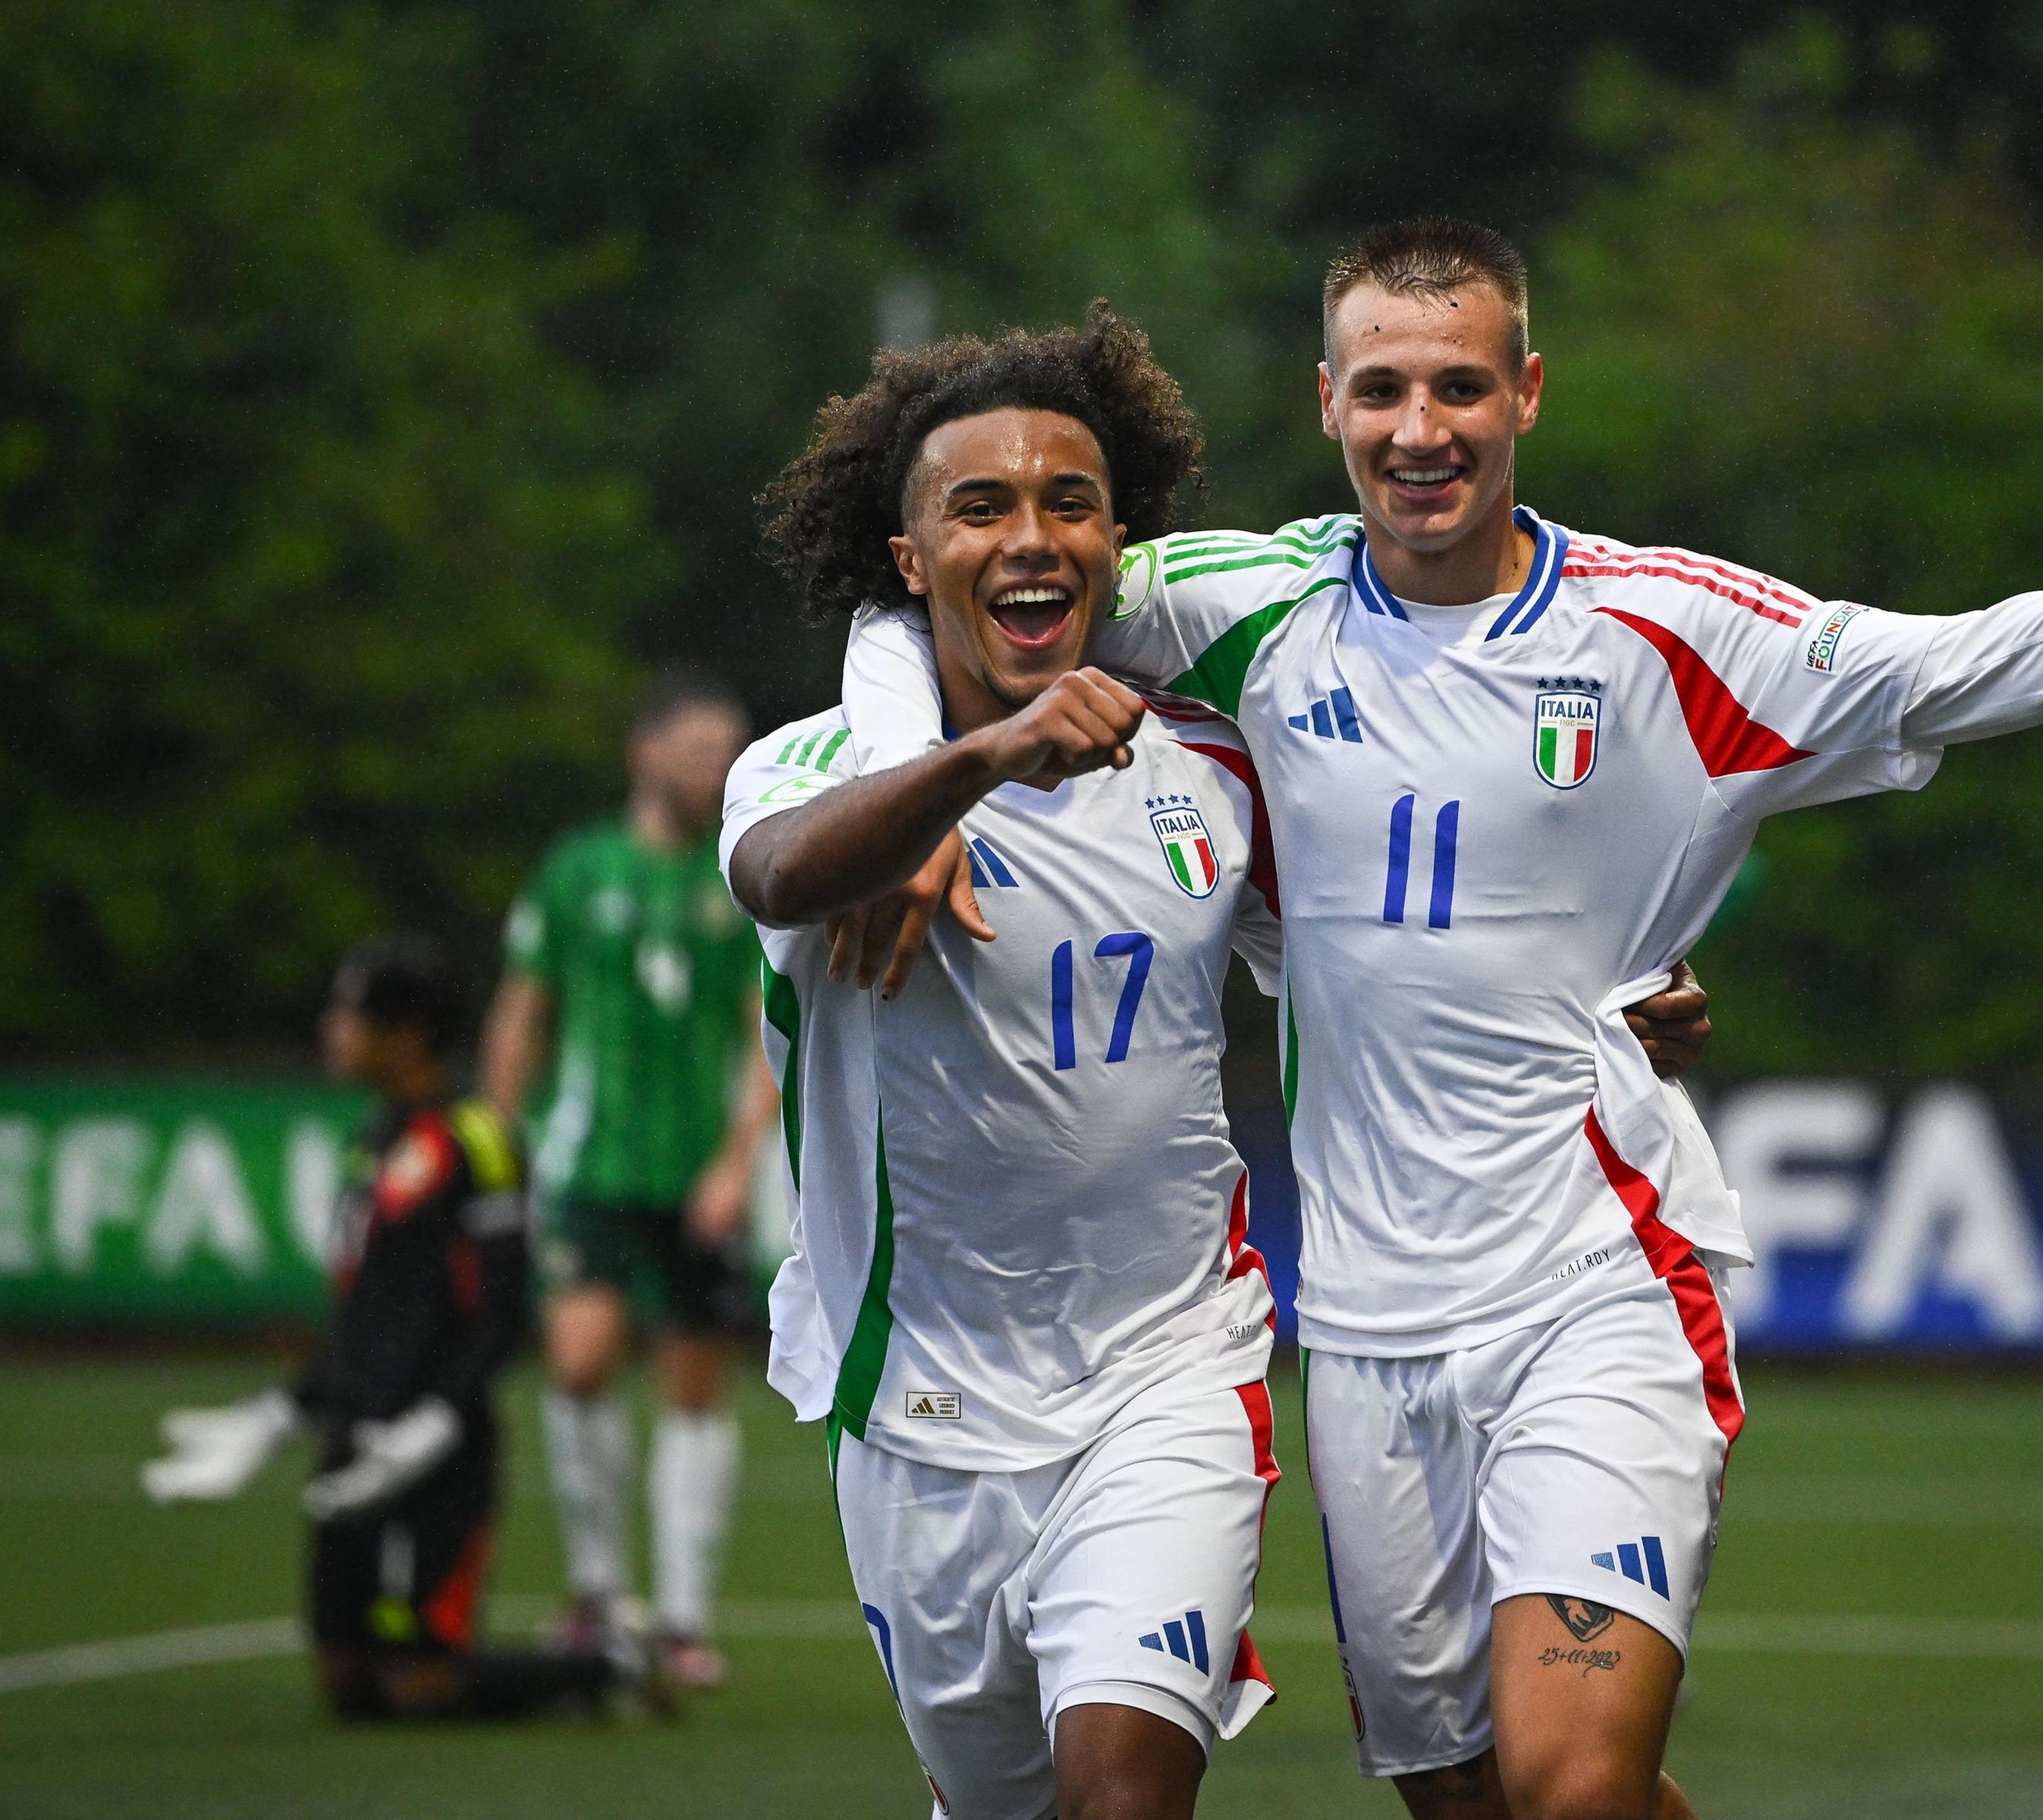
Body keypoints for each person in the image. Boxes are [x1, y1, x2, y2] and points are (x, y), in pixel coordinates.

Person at [837, 221, 2043, 1819]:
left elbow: (1941, 670)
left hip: (1592, 1278)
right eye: (1385, 390)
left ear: (1528, 393)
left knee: (1570, 1781)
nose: (1422, 429)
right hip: (1363, 1328)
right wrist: (892, 782)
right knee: (1480, 1795)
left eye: (1461, 387)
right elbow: (944, 589)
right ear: (1330, 400)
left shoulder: (1663, 632)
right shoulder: (1231, 607)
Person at [725, 310, 1713, 1820]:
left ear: (1121, 540)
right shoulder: (820, 769)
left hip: (1172, 1375)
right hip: (921, 1407)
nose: (1032, 535)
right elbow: (779, 875)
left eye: (1071, 501)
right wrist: (950, 776)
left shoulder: (1206, 761)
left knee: (1123, 1796)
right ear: (910, 559)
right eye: (979, 508)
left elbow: (1378, 931)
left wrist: (1597, 981)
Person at [143, 936, 661, 1719]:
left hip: (440, 1447)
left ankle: (600, 1669)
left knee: (421, 1686)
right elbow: (363, 1316)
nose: (333, 1029)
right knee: (346, 1680)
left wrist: (438, 1417)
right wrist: (283, 1412)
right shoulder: (370, 1143)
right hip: (356, 1433)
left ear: (410, 1031)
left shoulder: (477, 1140)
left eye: (349, 1013)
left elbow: (499, 1308)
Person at [481, 675, 781, 1688]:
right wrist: (497, 1133)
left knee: (694, 1389)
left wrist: (739, 1161)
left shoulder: (745, 874)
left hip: (698, 1172)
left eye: (728, 749)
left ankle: (685, 1617)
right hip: (590, 1162)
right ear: (643, 752)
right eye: (698, 747)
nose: (715, 766)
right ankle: (600, 1593)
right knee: (577, 1360)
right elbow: (525, 1005)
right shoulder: (578, 867)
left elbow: (768, 1037)